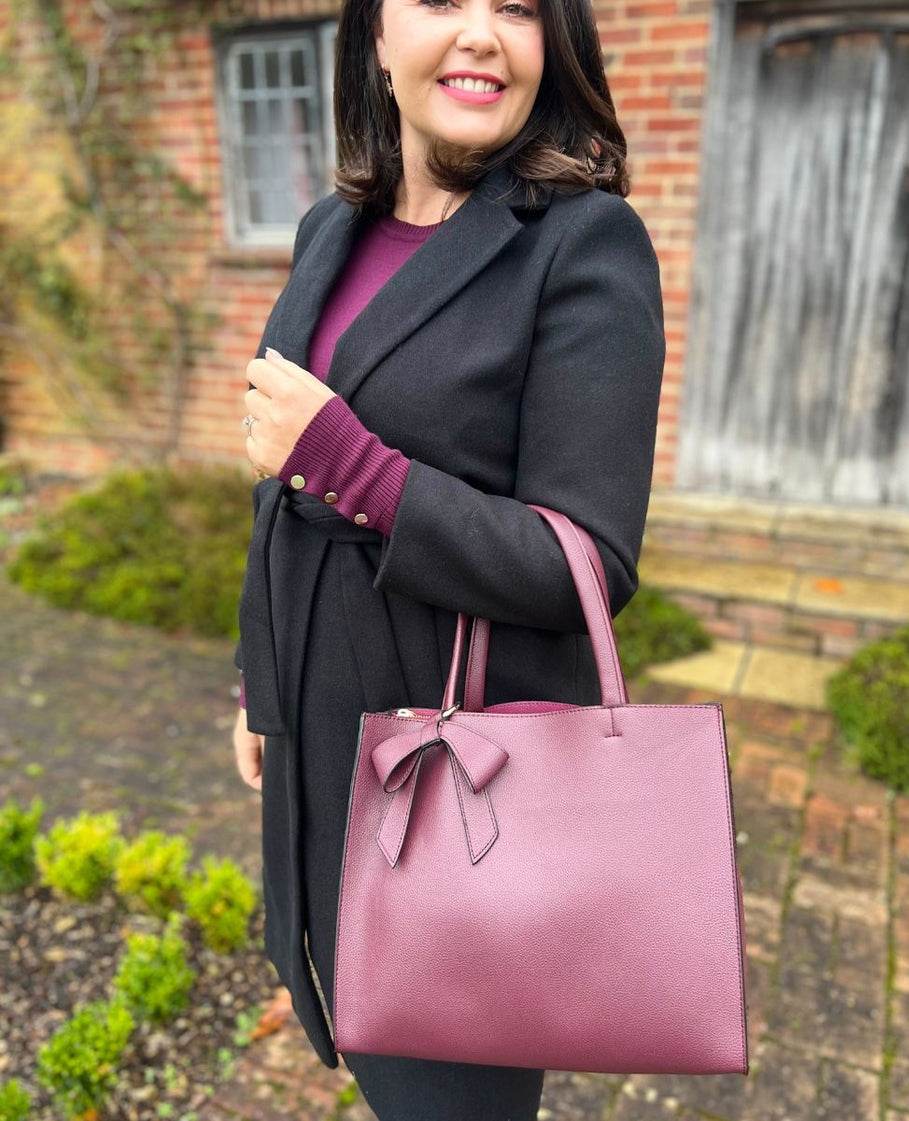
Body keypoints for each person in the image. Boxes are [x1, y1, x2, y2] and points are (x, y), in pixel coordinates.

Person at [231, 0, 665, 1112]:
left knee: (447, 1086)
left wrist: (351, 462)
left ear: (551, 45)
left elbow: (583, 560)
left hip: (459, 779)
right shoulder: (330, 228)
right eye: (441, 1)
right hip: (320, 736)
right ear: (374, 35)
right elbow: (282, 489)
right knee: (365, 1034)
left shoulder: (582, 241)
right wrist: (255, 675)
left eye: (517, 8)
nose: (481, 34)